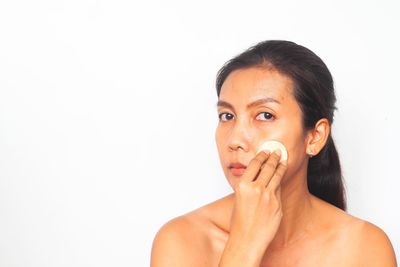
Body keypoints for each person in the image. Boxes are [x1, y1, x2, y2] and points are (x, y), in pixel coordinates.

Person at [150, 40, 397, 266]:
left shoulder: (364, 247)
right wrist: (245, 245)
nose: (235, 140)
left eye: (265, 115)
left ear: (315, 137)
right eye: (227, 116)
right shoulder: (181, 240)